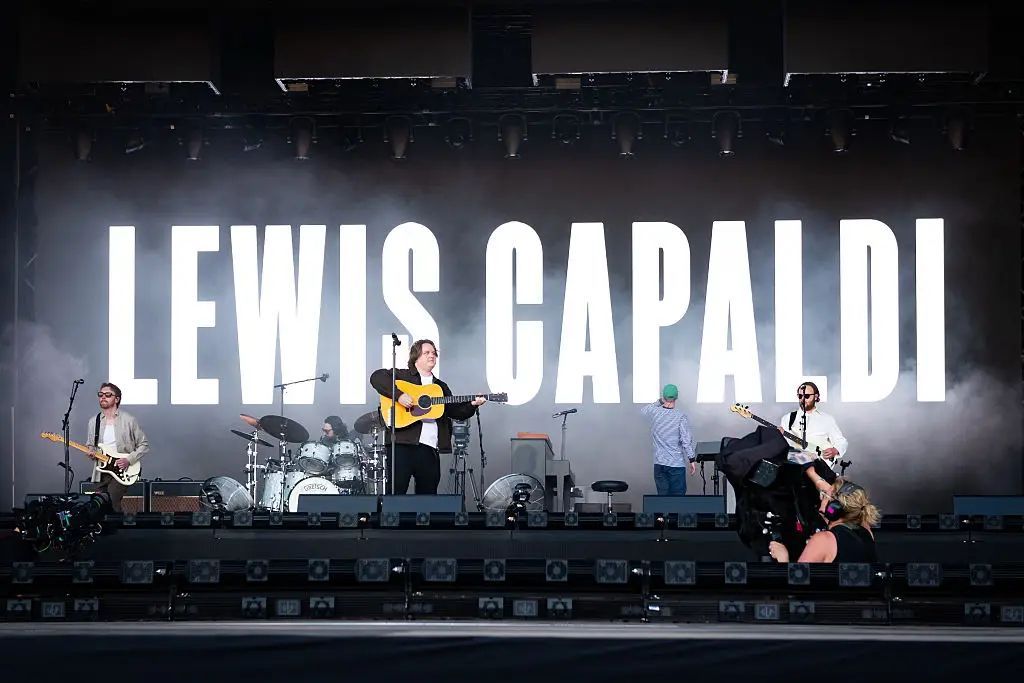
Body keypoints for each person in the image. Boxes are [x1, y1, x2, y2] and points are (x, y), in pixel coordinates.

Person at [369, 339, 486, 495]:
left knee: (428, 495)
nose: (432, 355)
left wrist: (473, 405)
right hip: (402, 444)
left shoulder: (440, 386)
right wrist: (399, 396)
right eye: (427, 353)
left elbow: (454, 412)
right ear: (416, 357)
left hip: (430, 447)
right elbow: (376, 377)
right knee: (396, 494)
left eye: (434, 353)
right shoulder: (403, 376)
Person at [768, 478, 879, 563]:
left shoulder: (824, 539)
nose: (821, 499)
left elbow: (794, 590)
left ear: (834, 508)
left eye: (825, 496)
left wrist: (783, 558)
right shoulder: (867, 532)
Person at [84, 382, 149, 513]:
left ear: (117, 399)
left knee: (113, 499)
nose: (103, 397)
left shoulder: (129, 420)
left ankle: (117, 531)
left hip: (122, 469)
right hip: (101, 471)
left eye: (108, 395)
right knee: (99, 505)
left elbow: (144, 445)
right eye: (100, 394)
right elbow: (91, 445)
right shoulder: (93, 421)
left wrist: (128, 460)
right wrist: (90, 452)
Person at [779, 381, 849, 470]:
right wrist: (779, 436)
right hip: (795, 465)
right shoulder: (788, 418)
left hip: (820, 465)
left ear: (816, 396)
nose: (803, 399)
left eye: (807, 396)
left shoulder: (827, 419)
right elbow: (785, 446)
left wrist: (835, 450)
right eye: (800, 396)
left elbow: (841, 441)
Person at [641, 384, 696, 496]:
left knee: (662, 500)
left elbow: (643, 410)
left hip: (659, 464)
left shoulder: (654, 413)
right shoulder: (681, 416)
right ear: (676, 397)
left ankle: (662, 514)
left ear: (663, 397)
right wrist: (691, 459)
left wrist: (660, 401)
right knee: (677, 500)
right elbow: (686, 441)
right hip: (676, 465)